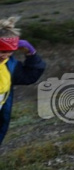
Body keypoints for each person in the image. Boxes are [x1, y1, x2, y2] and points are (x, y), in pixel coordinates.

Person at [0, 16, 47, 148]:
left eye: (9, 51)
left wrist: (31, 53)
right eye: (2, 51)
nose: (5, 55)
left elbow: (30, 76)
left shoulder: (10, 65)